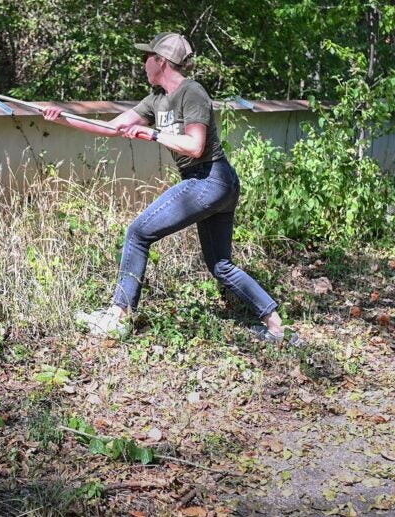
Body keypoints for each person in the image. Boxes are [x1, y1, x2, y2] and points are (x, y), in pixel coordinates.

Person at [42, 32, 299, 345]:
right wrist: (61, 118)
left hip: (211, 178)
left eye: (146, 58)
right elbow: (112, 128)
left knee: (138, 233)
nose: (143, 64)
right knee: (220, 265)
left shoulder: (192, 93)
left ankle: (119, 316)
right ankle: (276, 325)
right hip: (210, 184)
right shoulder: (156, 99)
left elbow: (195, 145)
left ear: (161, 61)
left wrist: (151, 135)